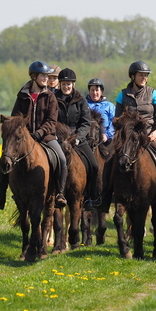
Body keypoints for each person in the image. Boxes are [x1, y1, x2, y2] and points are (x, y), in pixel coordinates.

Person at [0, 60, 67, 210]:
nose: (46, 79)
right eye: (42, 76)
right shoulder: (23, 95)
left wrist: (39, 133)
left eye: (47, 76)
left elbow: (51, 121)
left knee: (61, 159)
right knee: (5, 158)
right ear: (34, 77)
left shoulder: (50, 96)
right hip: (24, 138)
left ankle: (60, 193)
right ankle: (0, 195)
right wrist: (24, 133)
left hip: (46, 137)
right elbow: (15, 118)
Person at [108, 61, 156, 211]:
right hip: (128, 137)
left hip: (148, 135)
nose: (144, 78)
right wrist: (120, 124)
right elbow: (117, 118)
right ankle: (104, 196)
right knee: (109, 160)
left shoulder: (153, 93)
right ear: (133, 76)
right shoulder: (122, 94)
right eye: (141, 75)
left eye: (146, 75)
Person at [55, 68, 100, 211]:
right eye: (63, 84)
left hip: (77, 138)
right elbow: (50, 119)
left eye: (69, 84)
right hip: (58, 138)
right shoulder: (53, 99)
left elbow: (86, 122)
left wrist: (79, 138)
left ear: (73, 84)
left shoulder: (81, 100)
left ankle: (90, 198)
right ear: (60, 84)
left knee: (94, 165)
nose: (66, 87)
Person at [85, 77, 115, 144]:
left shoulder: (110, 106)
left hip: (105, 139)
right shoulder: (84, 105)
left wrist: (107, 135)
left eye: (97, 90)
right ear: (89, 91)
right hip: (88, 137)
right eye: (92, 90)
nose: (94, 93)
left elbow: (112, 123)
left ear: (101, 91)